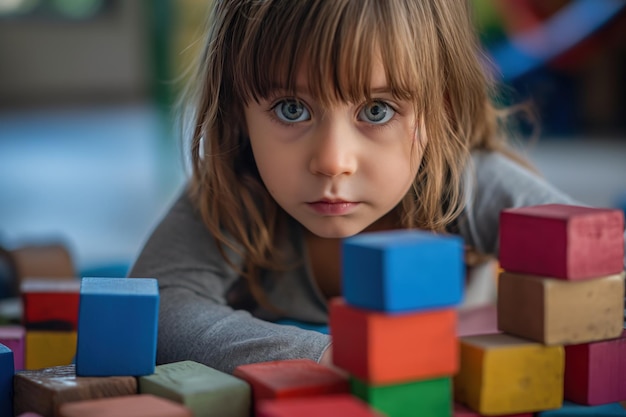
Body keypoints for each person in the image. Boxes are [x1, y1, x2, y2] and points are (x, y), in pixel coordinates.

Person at [128, 0, 621, 375]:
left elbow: (601, 262)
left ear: (440, 110)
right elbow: (157, 303)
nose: (332, 162)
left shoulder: (469, 182)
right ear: (238, 110)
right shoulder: (234, 189)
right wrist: (324, 356)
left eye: (377, 111)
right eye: (291, 109)